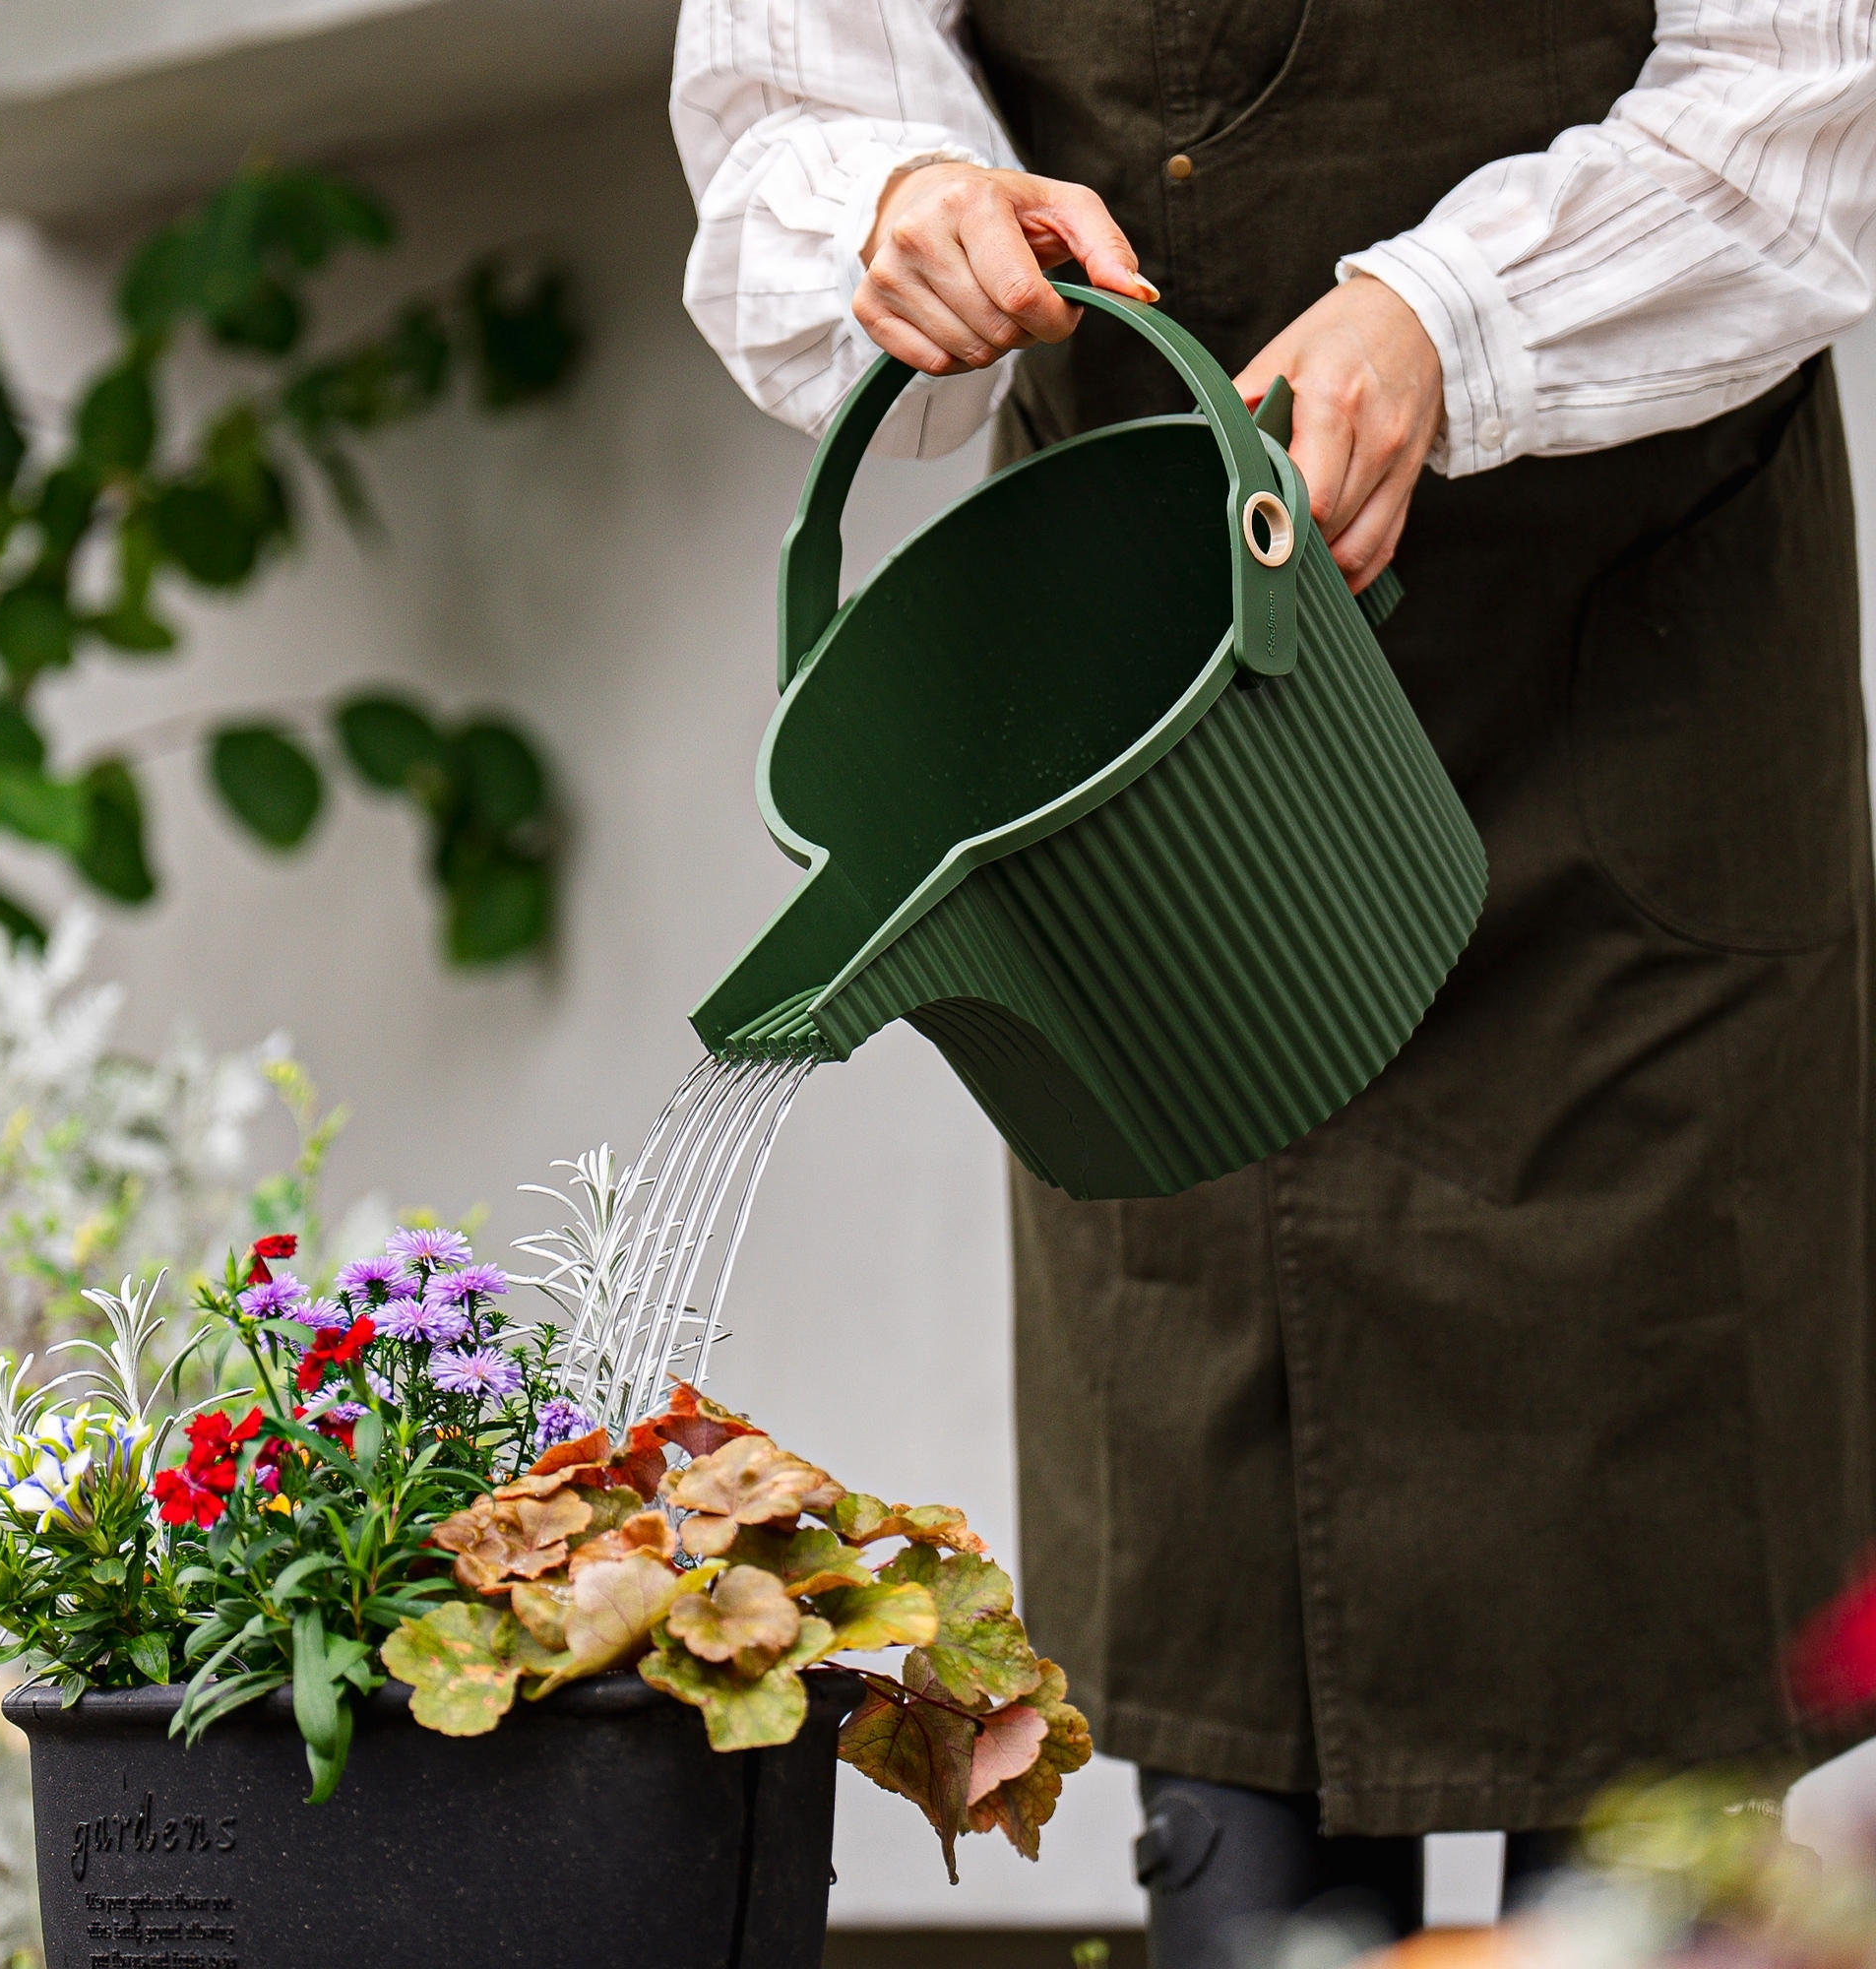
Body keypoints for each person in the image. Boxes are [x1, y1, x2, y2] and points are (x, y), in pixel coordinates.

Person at [671, 3, 1876, 1960]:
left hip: (1620, 738)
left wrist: (1450, 319)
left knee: (1643, 1834)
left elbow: (1818, 86)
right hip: (1152, 784)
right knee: (1235, 1785)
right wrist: (895, 208)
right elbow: (793, 85)